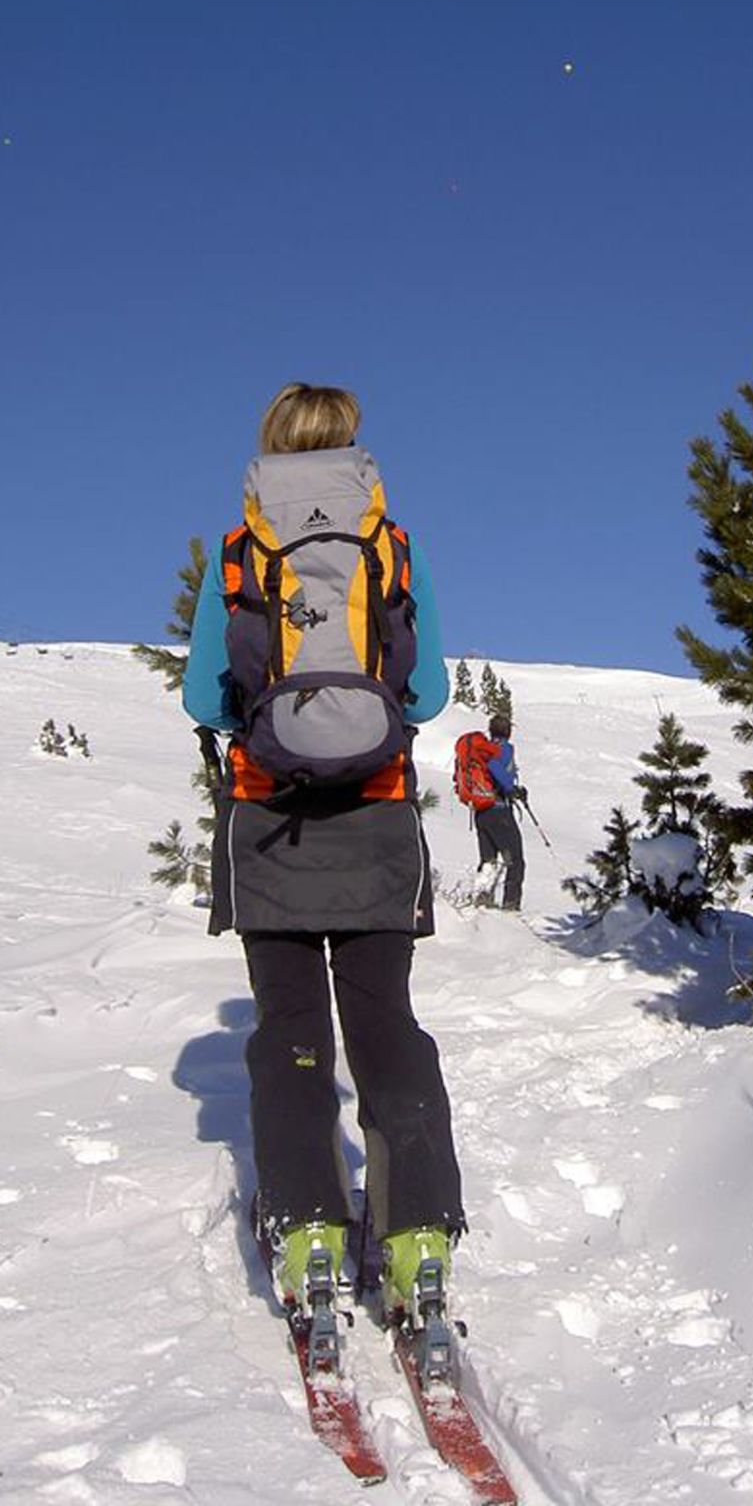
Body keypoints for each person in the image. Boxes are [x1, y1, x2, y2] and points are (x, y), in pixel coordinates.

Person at [182, 381, 464, 1325]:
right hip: (379, 817)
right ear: (352, 443)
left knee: (291, 1034)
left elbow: (202, 699)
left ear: (270, 445)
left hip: (272, 823)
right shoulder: (390, 543)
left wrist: (274, 722)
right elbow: (422, 695)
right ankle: (418, 1229)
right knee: (386, 1025)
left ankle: (307, 1228)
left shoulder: (240, 549)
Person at [474, 713, 527, 911]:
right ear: (509, 732)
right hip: (499, 811)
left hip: (481, 811)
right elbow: (495, 766)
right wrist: (510, 788)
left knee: (488, 861)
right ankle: (510, 908)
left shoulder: (483, 749)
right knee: (515, 862)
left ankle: (481, 903)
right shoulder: (504, 749)